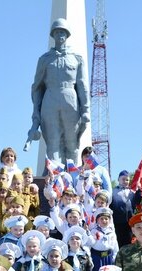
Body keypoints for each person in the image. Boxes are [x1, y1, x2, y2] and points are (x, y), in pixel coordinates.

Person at [27, 18, 90, 164]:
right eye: (57, 32)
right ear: (53, 35)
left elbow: (82, 85)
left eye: (62, 32)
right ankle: (54, 178)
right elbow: (37, 87)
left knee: (72, 142)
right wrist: (36, 112)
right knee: (52, 143)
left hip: (71, 100)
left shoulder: (77, 58)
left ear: (67, 35)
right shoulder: (44, 59)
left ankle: (72, 180)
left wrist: (85, 109)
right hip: (50, 99)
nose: (60, 35)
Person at [110, 170, 134, 248]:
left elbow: (136, 202)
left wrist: (139, 192)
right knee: (118, 242)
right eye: (123, 179)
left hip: (129, 223)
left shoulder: (132, 192)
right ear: (118, 179)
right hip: (117, 222)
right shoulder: (113, 192)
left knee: (128, 243)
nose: (125, 181)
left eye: (127, 180)